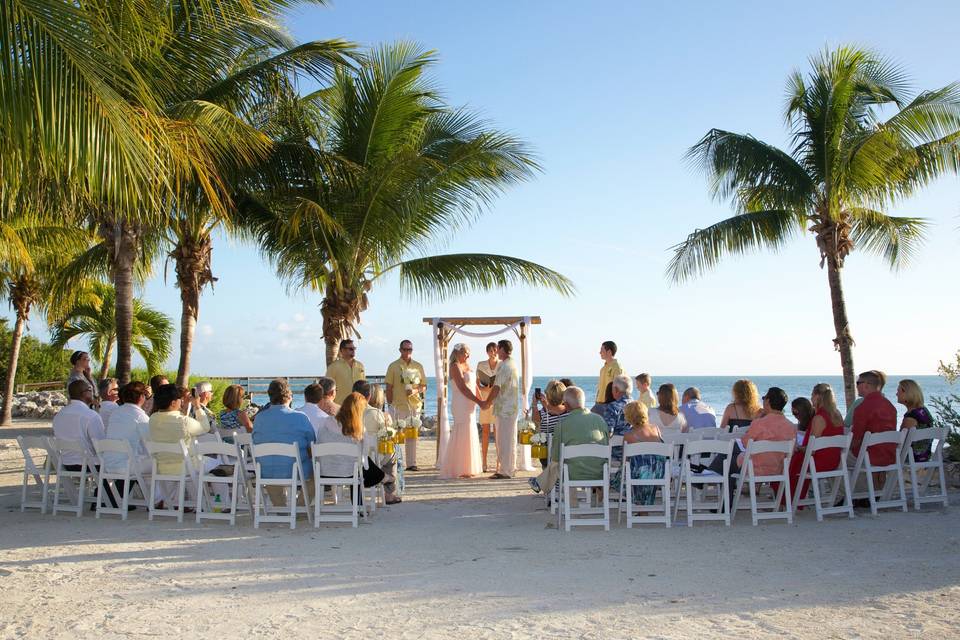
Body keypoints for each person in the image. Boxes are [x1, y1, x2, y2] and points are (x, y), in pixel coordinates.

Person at [711, 387, 796, 505]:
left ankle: (715, 486)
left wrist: (755, 420)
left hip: (754, 469)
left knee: (728, 459)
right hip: (777, 469)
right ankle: (711, 476)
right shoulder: (790, 426)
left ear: (768, 401)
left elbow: (745, 443)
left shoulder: (760, 423)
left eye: (764, 398)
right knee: (729, 456)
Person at [529, 386, 609, 495]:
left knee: (556, 462)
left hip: (572, 474)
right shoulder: (600, 420)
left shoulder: (562, 425)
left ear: (566, 404)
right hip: (599, 472)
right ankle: (540, 483)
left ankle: (541, 483)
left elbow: (555, 457)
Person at [251, 378, 317, 507]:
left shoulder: (259, 418)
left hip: (265, 471)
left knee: (270, 463)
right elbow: (312, 446)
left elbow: (255, 441)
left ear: (270, 396)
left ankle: (280, 507)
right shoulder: (300, 417)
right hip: (295, 470)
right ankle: (300, 507)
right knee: (319, 470)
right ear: (289, 396)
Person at [148, 383, 212, 508]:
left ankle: (187, 502)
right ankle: (215, 503)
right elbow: (205, 427)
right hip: (186, 467)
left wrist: (186, 407)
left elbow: (175, 419)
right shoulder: (184, 422)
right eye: (179, 400)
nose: (181, 401)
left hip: (162, 466)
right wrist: (197, 406)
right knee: (217, 465)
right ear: (173, 403)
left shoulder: (153, 419)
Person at [54, 379, 114, 509]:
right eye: (90, 390)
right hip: (87, 464)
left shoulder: (59, 414)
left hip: (66, 463)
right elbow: (100, 444)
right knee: (118, 461)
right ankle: (104, 499)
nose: (93, 394)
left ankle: (104, 497)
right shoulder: (90, 415)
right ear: (84, 393)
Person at [315, 392, 385, 502]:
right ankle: (360, 504)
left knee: (358, 464)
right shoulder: (359, 430)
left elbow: (318, 442)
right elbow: (364, 456)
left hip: (324, 472)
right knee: (361, 466)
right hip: (349, 474)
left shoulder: (325, 422)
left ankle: (382, 477)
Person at [788, 383, 844, 504]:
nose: (811, 398)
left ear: (818, 396)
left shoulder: (819, 418)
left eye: (812, 395)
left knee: (787, 462)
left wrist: (799, 448)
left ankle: (788, 500)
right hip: (835, 460)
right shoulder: (837, 414)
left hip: (817, 463)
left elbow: (812, 450)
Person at [608, 401, 666, 506]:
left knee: (622, 475)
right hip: (659, 472)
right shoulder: (655, 429)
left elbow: (625, 459)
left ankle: (637, 504)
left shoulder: (629, 435)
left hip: (641, 474)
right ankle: (642, 506)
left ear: (629, 417)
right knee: (642, 468)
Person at [439, 344, 483, 479]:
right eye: (466, 353)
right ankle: (459, 468)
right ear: (458, 353)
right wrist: (478, 401)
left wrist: (481, 401)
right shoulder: (454, 367)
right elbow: (463, 388)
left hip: (470, 404)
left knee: (470, 430)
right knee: (462, 431)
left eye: (469, 353)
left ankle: (468, 467)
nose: (468, 356)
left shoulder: (468, 366)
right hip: (461, 403)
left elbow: (475, 385)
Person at [103, 381, 152, 501]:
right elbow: (149, 444)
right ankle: (158, 501)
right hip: (128, 466)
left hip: (109, 463)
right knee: (161, 464)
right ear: (141, 397)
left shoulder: (116, 413)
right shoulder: (141, 417)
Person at [385, 339, 427, 471]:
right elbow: (388, 386)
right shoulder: (393, 366)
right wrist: (390, 403)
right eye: (405, 349)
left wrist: (415, 390)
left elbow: (424, 385)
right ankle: (395, 462)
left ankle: (411, 463)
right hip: (397, 405)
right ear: (400, 350)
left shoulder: (418, 366)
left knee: (412, 435)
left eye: (410, 349)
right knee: (395, 435)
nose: (407, 352)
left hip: (414, 405)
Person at [360, 383, 403, 503]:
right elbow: (389, 434)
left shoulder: (354, 412)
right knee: (393, 453)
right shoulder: (378, 414)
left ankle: (386, 482)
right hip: (373, 458)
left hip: (356, 457)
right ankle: (390, 493)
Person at [484, 339, 520, 479]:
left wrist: (487, 402)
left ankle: (505, 471)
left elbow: (497, 387)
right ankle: (511, 468)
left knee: (504, 440)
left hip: (504, 409)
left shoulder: (504, 366)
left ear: (502, 349)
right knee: (510, 439)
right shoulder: (513, 364)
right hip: (512, 407)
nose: (496, 351)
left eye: (498, 348)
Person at [849, 370, 898, 469]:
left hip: (868, 457)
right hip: (890, 456)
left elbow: (855, 441)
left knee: (835, 458)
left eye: (858, 383)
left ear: (865, 385)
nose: (856, 386)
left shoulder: (862, 408)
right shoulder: (890, 406)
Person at [531, 380, 568, 468]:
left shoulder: (543, 413)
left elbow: (535, 423)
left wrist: (534, 404)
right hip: (565, 453)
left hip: (547, 456)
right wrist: (546, 404)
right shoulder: (569, 412)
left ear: (547, 395)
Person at [897, 378, 934, 462]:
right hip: (925, 457)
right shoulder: (924, 411)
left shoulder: (911, 418)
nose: (896, 394)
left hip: (911, 459)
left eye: (898, 391)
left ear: (907, 393)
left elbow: (900, 443)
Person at [476, 342, 499, 473]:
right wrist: (484, 387)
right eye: (490, 350)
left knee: (497, 433)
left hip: (497, 400)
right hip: (485, 399)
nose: (493, 352)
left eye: (495, 350)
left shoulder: (501, 365)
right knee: (485, 432)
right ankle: (484, 462)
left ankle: (498, 463)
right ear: (487, 352)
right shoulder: (481, 365)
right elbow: (477, 384)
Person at [326, 339, 366, 406]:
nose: (353, 351)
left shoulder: (360, 365)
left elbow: (364, 386)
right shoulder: (333, 367)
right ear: (342, 350)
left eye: (354, 348)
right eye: (351, 349)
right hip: (340, 407)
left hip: (358, 406)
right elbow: (327, 388)